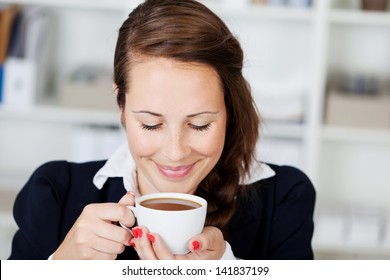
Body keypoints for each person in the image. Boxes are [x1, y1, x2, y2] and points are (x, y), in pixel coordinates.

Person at [8, 0, 315, 260]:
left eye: (199, 124)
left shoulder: (284, 197)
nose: (175, 152)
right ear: (122, 106)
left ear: (230, 110)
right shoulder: (54, 192)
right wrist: (60, 266)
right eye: (151, 124)